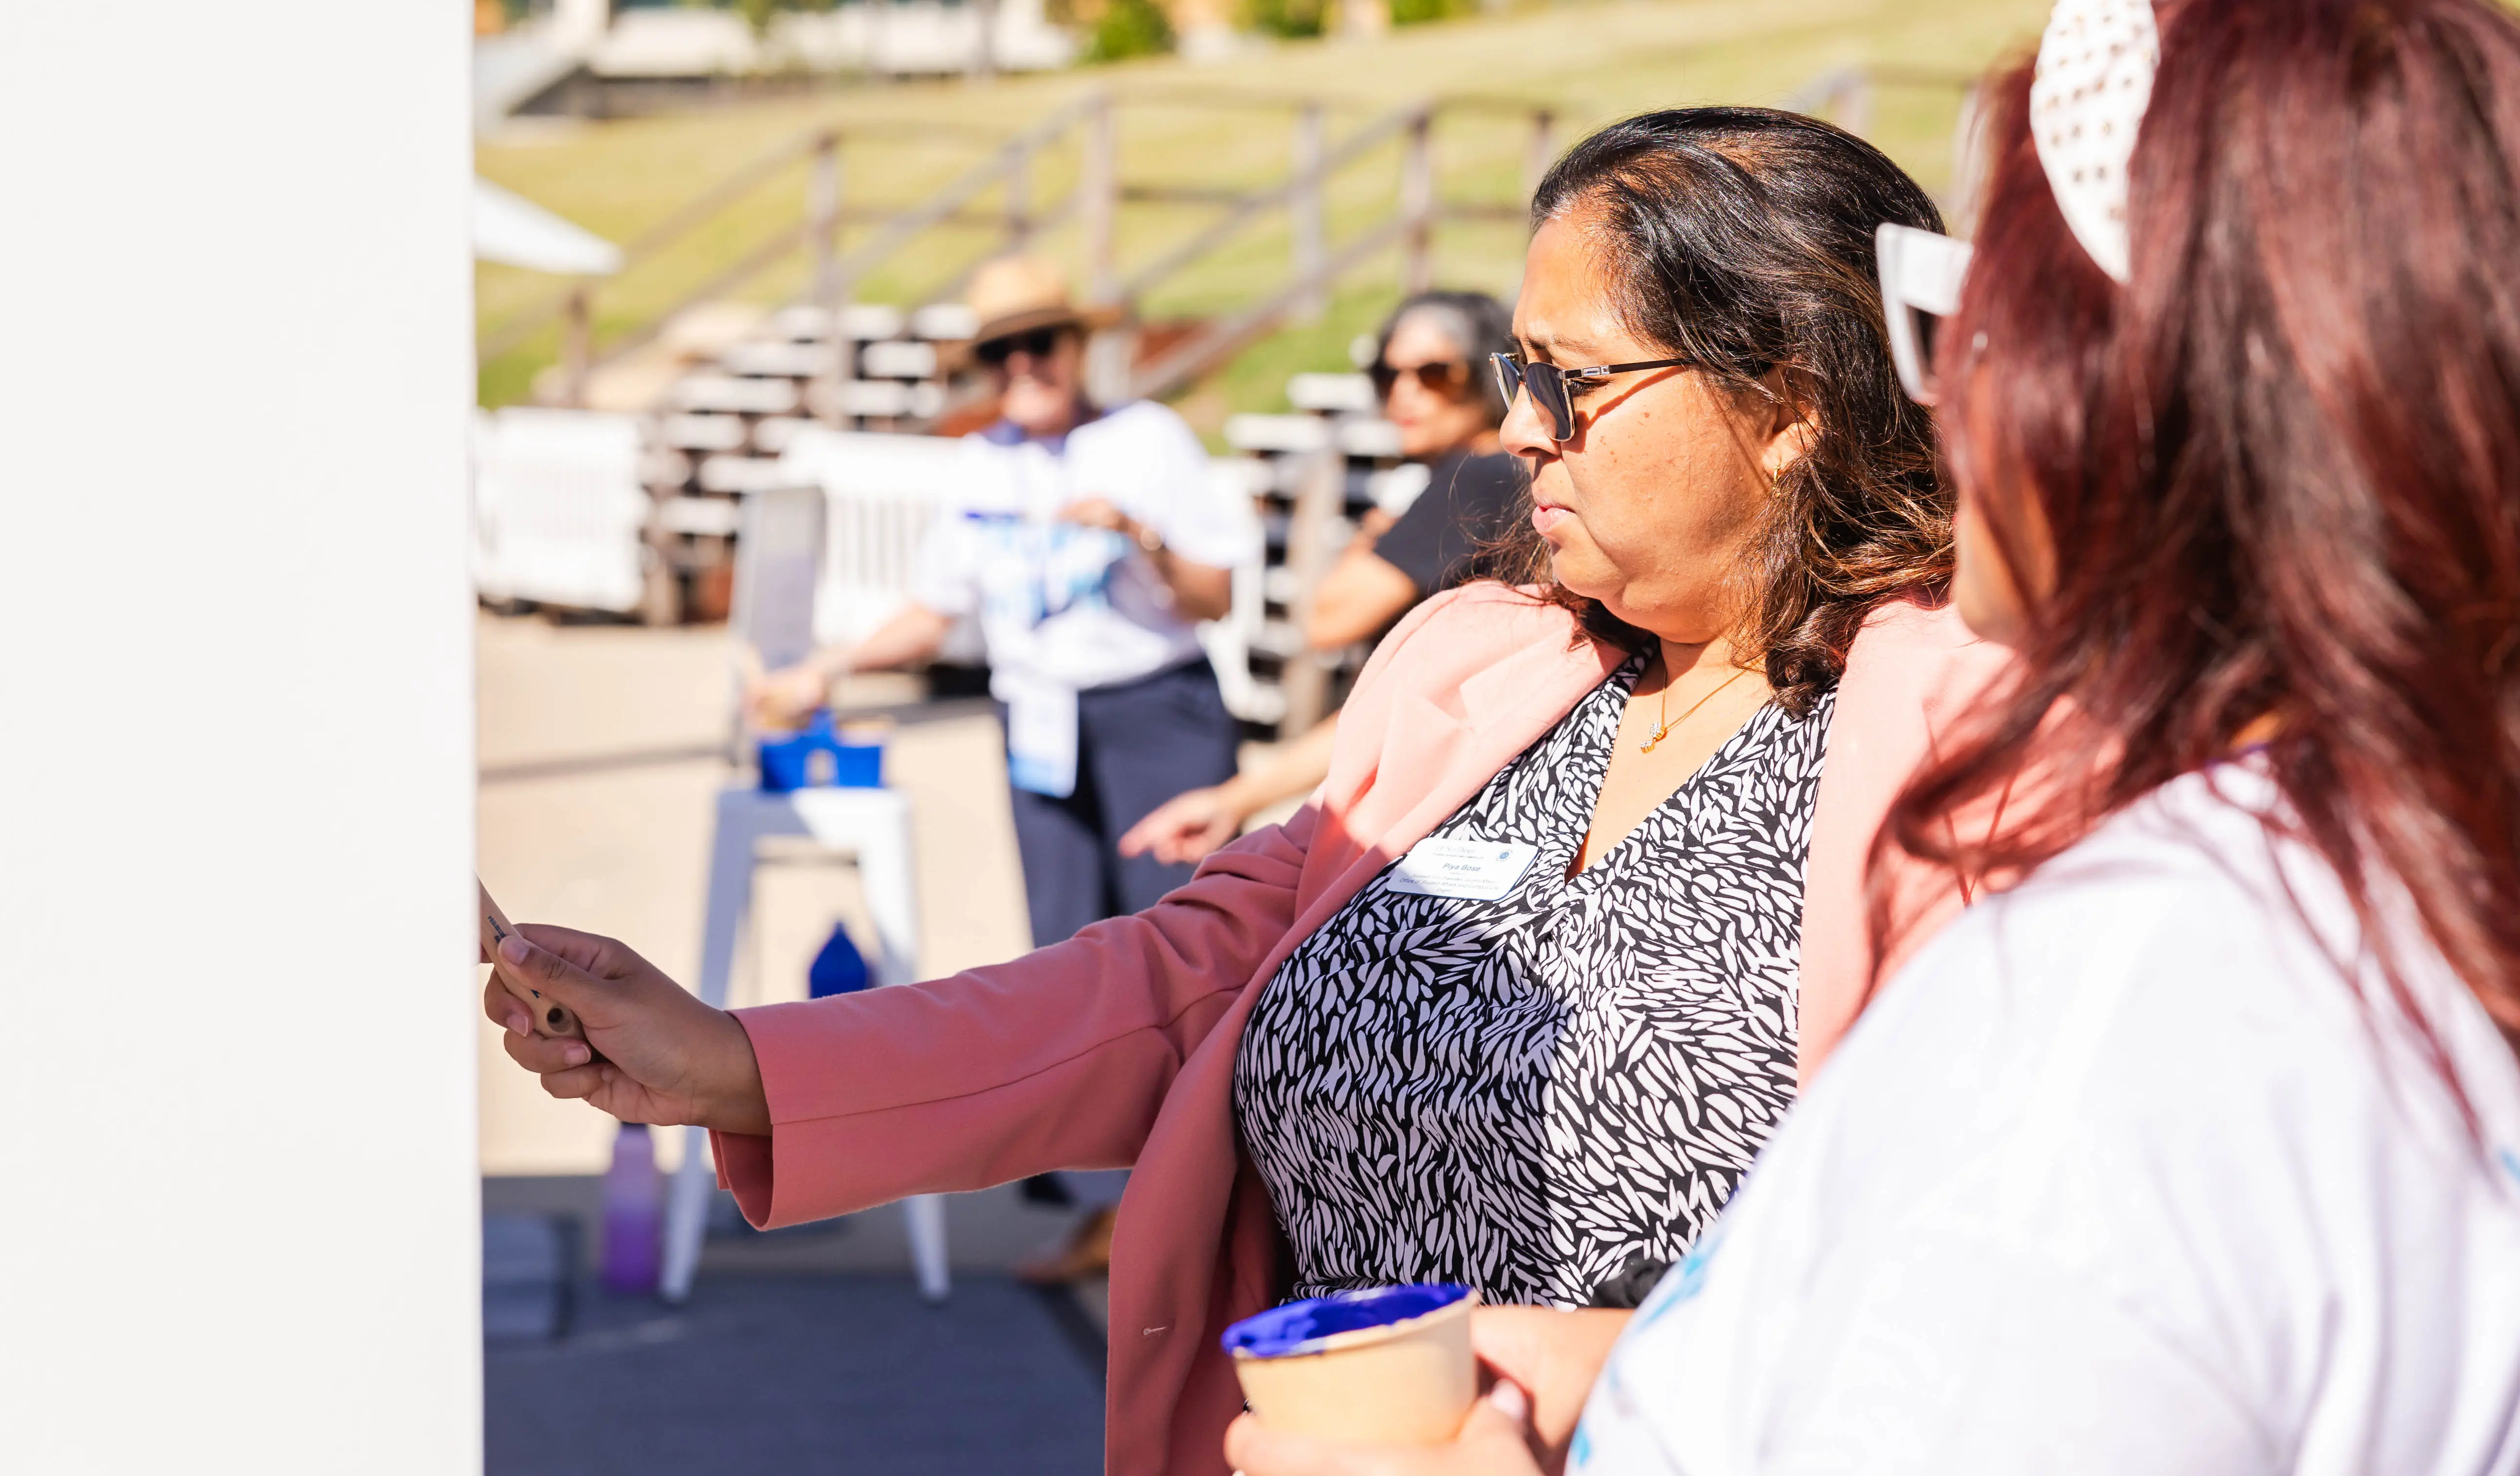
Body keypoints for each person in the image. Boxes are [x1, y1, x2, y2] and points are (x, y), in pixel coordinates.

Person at [484, 108, 2007, 1476]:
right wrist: (734, 1064)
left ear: (1790, 396)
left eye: (1580, 381)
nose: (1522, 426)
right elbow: (1172, 984)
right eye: (1516, 373)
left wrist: (1580, 1383)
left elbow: (1994, 1271)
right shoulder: (1474, 672)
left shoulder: (1973, 734)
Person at [1228, 0, 2520, 1476]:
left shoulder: (2119, 1011)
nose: (1938, 394)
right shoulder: (2404, 880)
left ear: (2116, 400)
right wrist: (1650, 1355)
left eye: (1973, 319)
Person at [749, 253, 1258, 1280]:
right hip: (1040, 719)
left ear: (1079, 346)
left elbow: (1212, 594)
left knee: (1191, 961)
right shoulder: (980, 464)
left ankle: (1207, 1206)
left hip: (1154, 711)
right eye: (1003, 352)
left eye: (1043, 342)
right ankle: (1113, 1206)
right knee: (1076, 963)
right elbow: (938, 611)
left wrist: (1138, 537)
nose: (1026, 365)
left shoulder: (1144, 440)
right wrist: (829, 667)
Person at [1121, 289, 1531, 868]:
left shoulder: (1476, 480)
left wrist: (1371, 538)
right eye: (1387, 374)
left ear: (1489, 374)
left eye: (1436, 373)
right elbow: (1393, 706)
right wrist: (1234, 799)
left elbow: (1328, 620)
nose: (1405, 393)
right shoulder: (1508, 478)